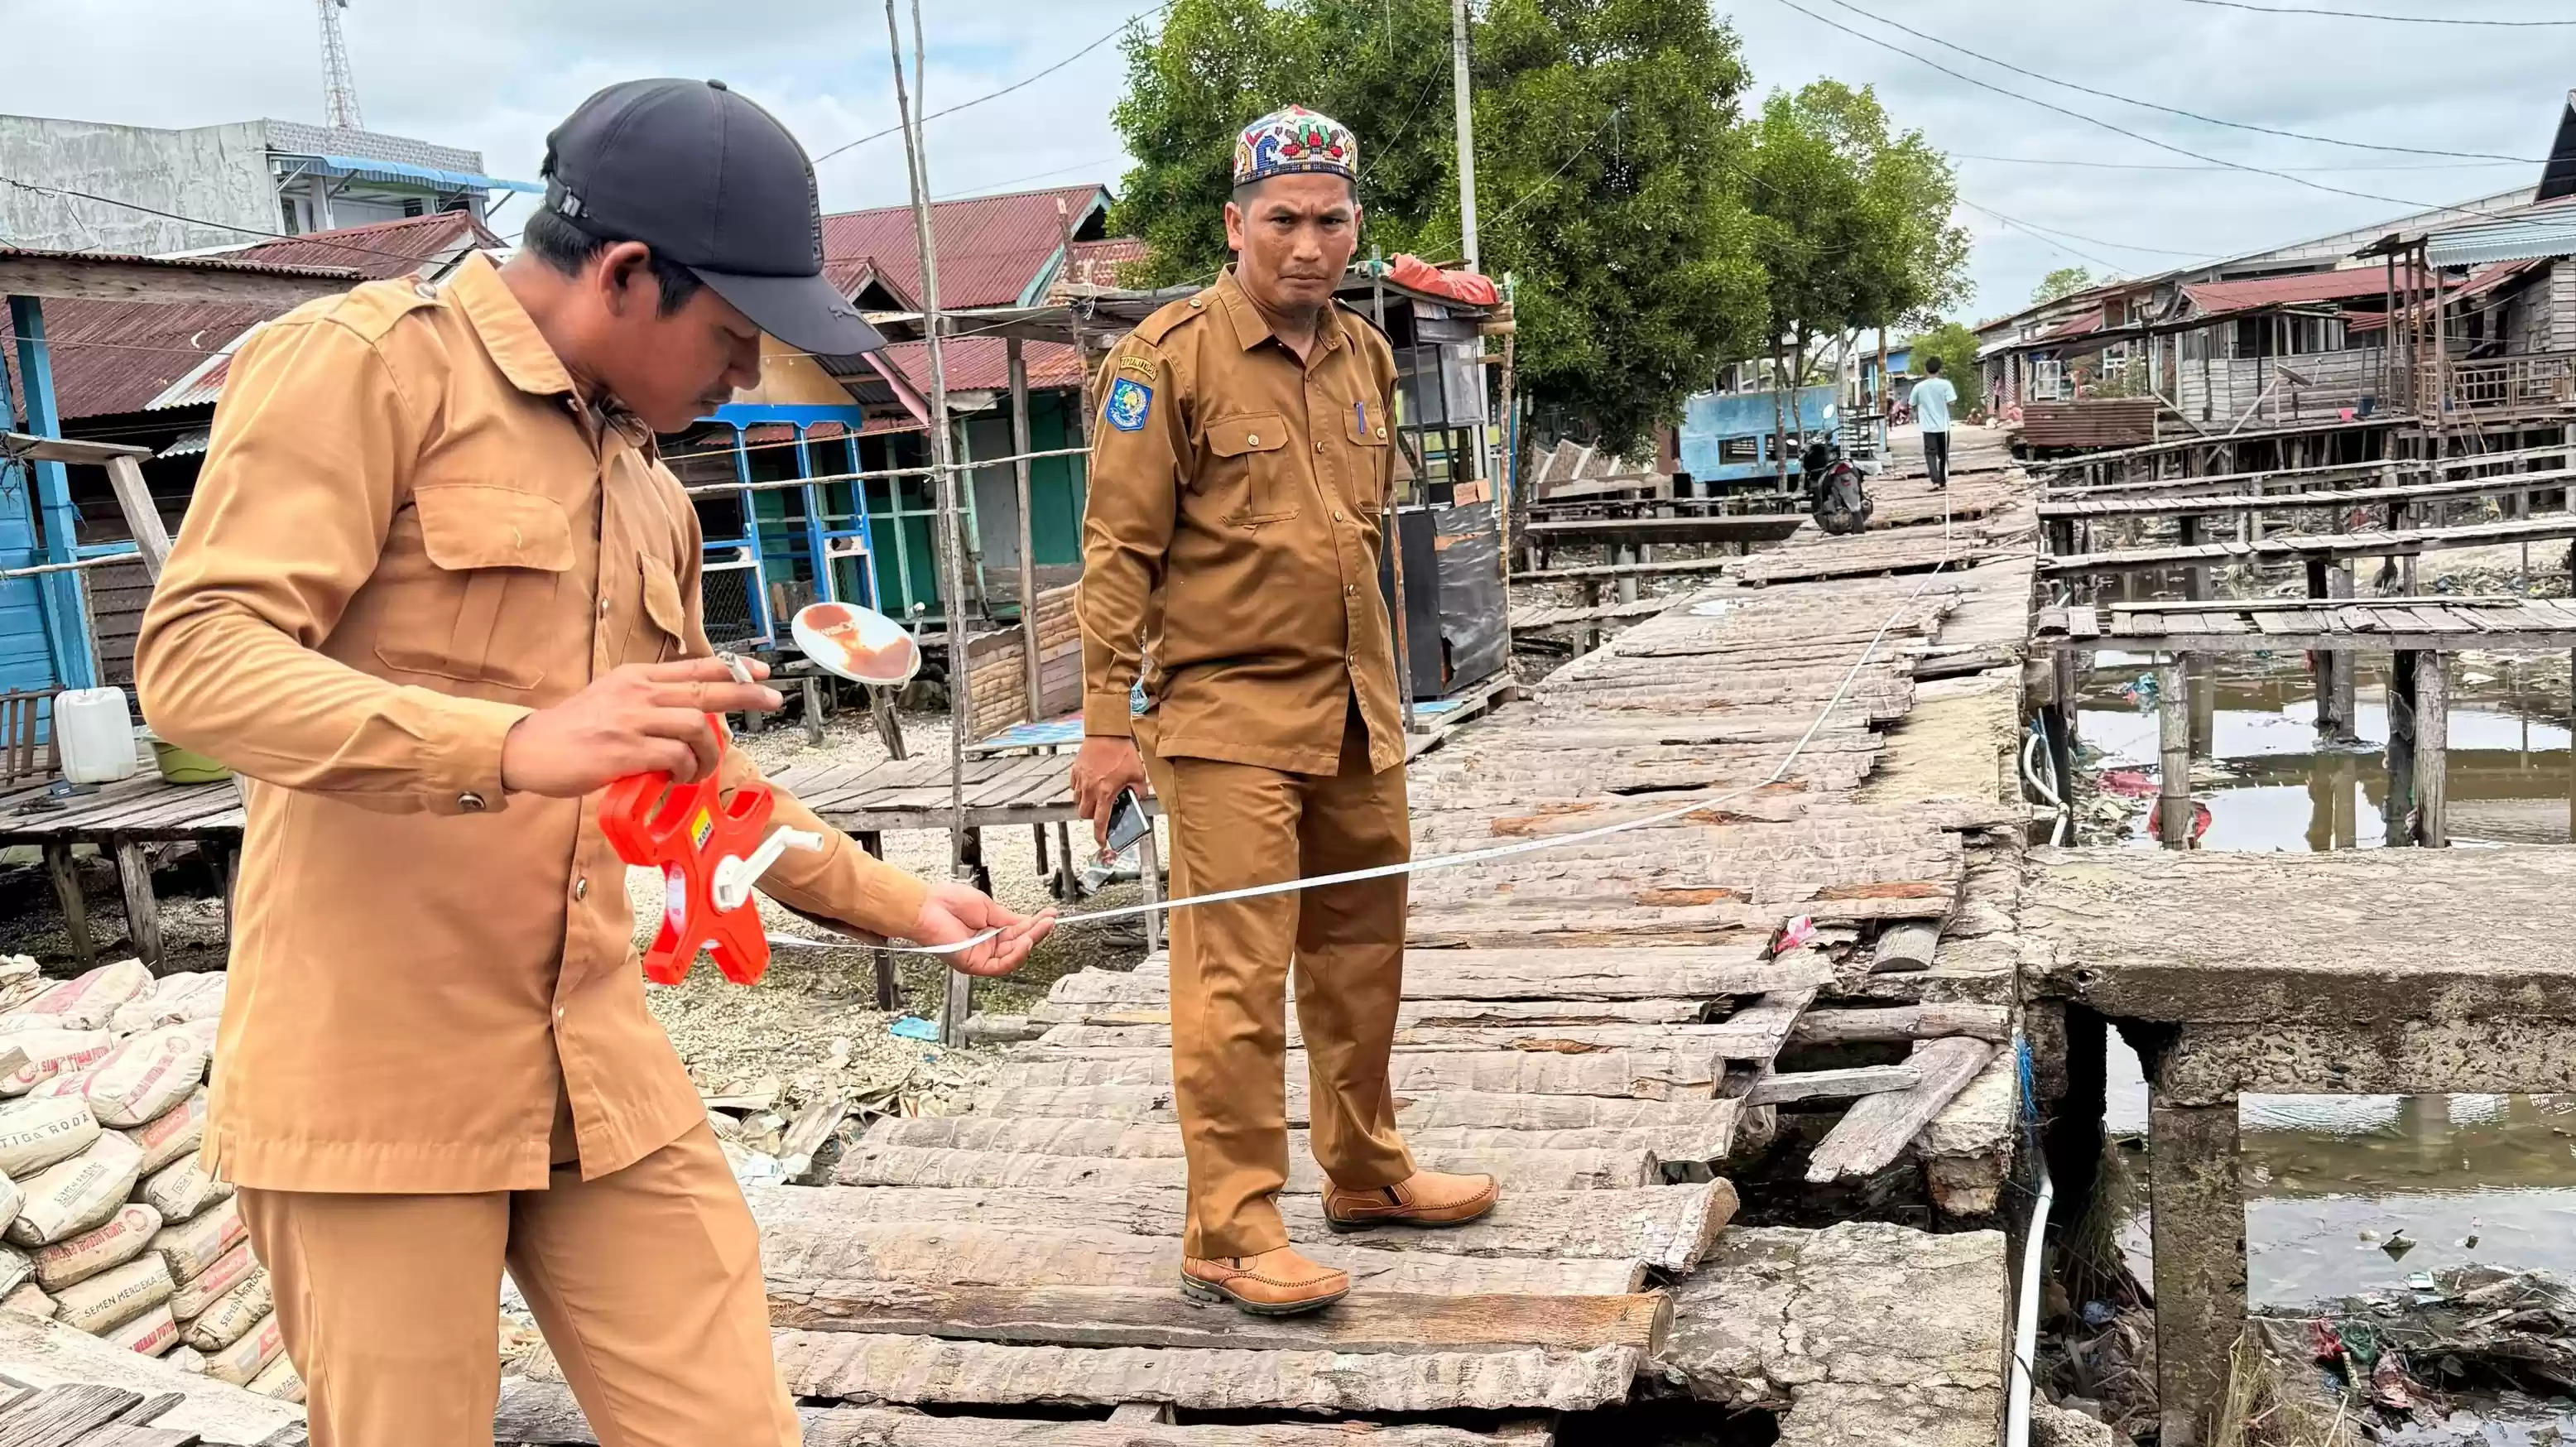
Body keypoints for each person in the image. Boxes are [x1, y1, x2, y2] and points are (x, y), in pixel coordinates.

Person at [134, 78, 1050, 1446]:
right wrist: (506, 741)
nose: (747, 375)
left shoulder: (647, 491)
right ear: (626, 273)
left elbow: (695, 789)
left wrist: (900, 904)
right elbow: (198, 659)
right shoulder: (365, 367)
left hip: (597, 1065)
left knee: (732, 1426)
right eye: (734, 335)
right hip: (380, 1076)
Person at [1069, 105, 1497, 1317]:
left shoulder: (1366, 356)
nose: (1306, 245)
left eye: (1329, 220)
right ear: (1235, 225)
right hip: (1226, 723)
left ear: (1354, 225)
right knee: (1236, 985)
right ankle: (1233, 1227)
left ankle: (1364, 1170)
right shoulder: (1167, 360)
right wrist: (1107, 725)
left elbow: (1361, 538)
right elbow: (1117, 553)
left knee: (1363, 957)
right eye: (1281, 222)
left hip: (1359, 714)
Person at [1913, 354, 1960, 489]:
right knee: (1943, 454)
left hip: (1928, 428)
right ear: (1940, 369)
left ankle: (1935, 481)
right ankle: (1943, 482)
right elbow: (1951, 402)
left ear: (1925, 369)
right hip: (1943, 426)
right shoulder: (1946, 385)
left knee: (1930, 454)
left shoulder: (1919, 387)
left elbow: (1912, 403)